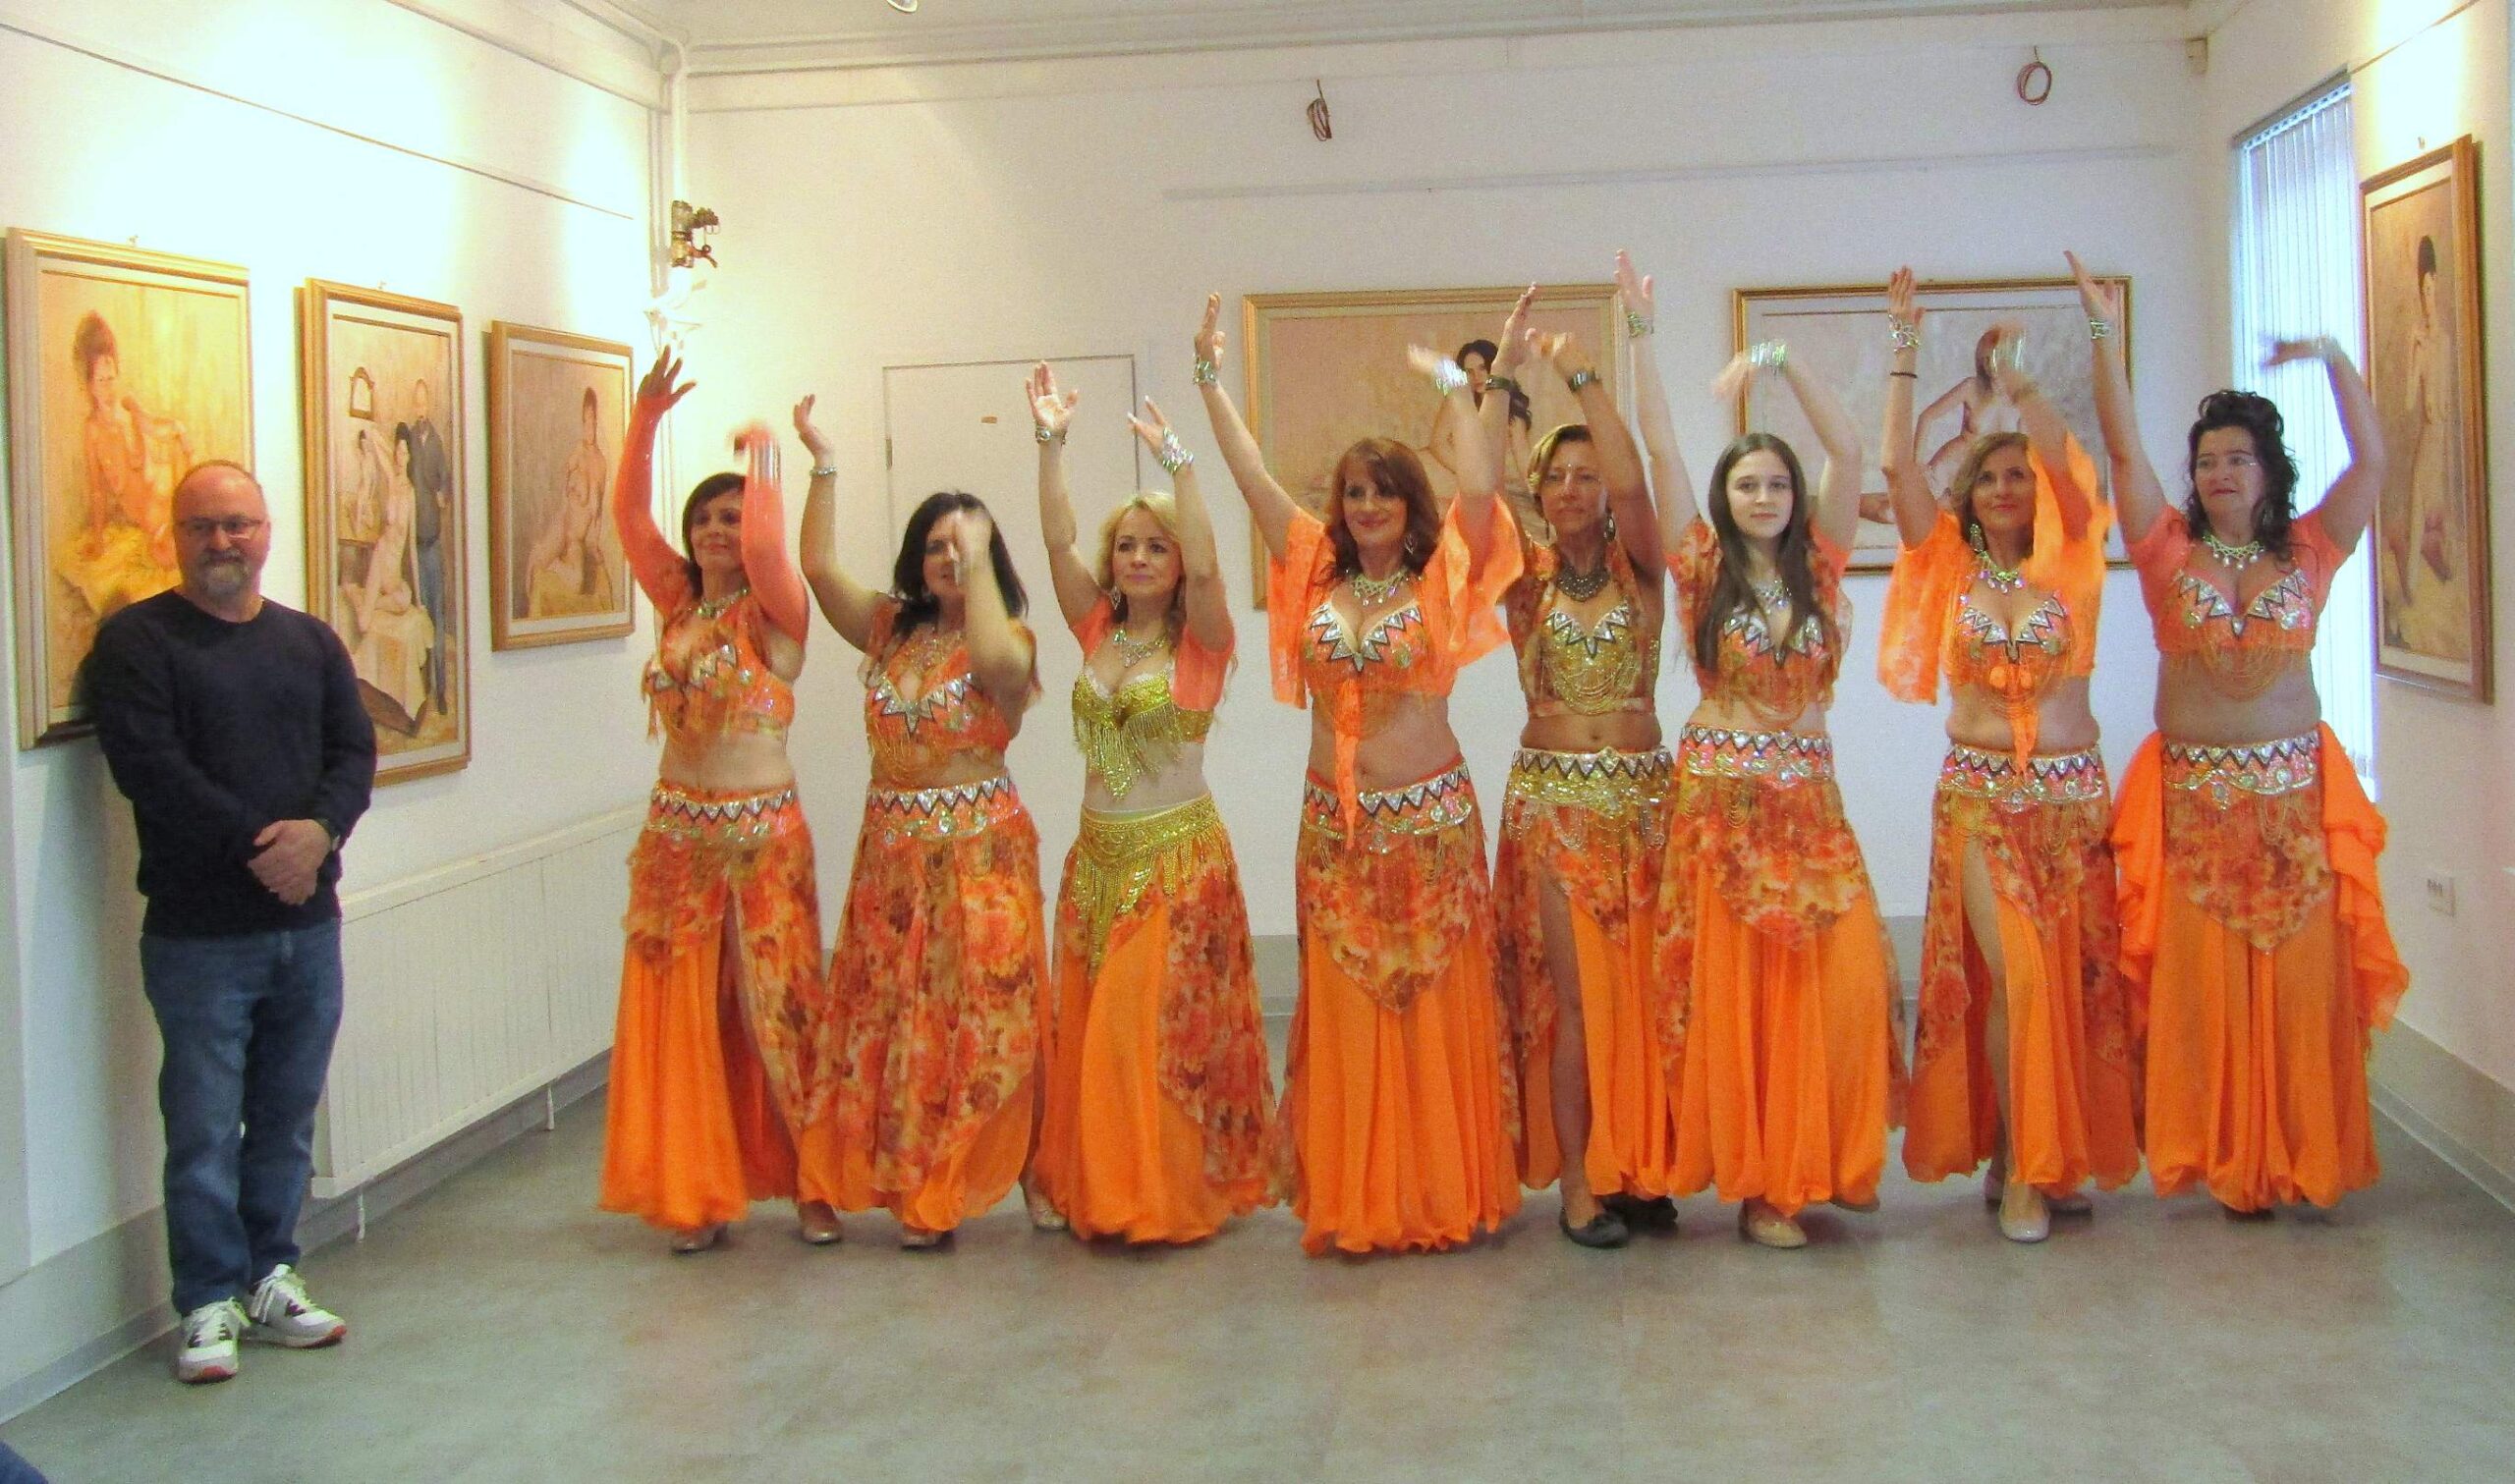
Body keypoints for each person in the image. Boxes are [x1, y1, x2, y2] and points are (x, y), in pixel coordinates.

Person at [2070, 252, 2408, 1215]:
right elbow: (2122, 453)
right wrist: (2101, 331)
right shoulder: (2165, 547)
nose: (2218, 473)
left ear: (2268, 469)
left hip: (2294, 800)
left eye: (2236, 458)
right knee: (2206, 988)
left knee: (2300, 983)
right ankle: (2228, 1164)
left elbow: (2374, 463)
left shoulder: (2312, 546)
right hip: (2193, 801)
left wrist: (2333, 354)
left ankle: (2302, 1154)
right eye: (2207, 460)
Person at [1196, 291, 1523, 1255]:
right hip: (1335, 830)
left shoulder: (1441, 577)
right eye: (1353, 493)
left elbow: (1479, 484)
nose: (1367, 505)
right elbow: (1251, 476)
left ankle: (1436, 1190)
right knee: (1345, 1003)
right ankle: (1356, 1194)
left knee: (1429, 1001)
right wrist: (1209, 380)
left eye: (1383, 491)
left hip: (1429, 828)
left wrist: (1466, 384)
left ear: (1408, 503)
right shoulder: (1313, 574)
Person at [84, 461, 376, 1385]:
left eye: (239, 524)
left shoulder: (310, 641)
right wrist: (271, 848)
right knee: (205, 1126)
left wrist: (320, 833)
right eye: (203, 525)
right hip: (199, 935)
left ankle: (269, 1275)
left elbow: (354, 752)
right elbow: (154, 771)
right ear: (174, 535)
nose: (223, 542)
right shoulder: (136, 643)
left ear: (266, 532)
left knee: (286, 1118)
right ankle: (207, 1297)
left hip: (308, 926)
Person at [1875, 268, 2137, 1243]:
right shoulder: (1944, 562)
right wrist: (1905, 348)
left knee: (2063, 986)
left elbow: (2078, 460)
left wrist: (2024, 378)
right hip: (1981, 801)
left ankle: (2021, 1150)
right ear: (1969, 493)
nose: (2002, 489)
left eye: (2017, 475)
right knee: (2018, 976)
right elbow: (1894, 465)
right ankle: (2028, 1170)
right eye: (1986, 477)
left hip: (2073, 803)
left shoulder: (2073, 561)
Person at [1642, 325, 1898, 1250]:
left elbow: (1850, 450)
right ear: (1726, 497)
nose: (1763, 497)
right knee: (1745, 997)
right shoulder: (1700, 569)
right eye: (1747, 484)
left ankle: (1823, 1157)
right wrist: (1641, 331)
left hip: (1812, 810)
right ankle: (1764, 1188)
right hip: (1725, 810)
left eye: (1777, 484)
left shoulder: (1820, 564)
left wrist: (1783, 362)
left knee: (1843, 982)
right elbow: (1662, 447)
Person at [597, 350, 842, 1254]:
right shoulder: (677, 602)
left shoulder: (776, 612)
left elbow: (772, 550)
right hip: (677, 837)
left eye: (730, 517)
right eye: (703, 517)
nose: (714, 530)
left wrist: (766, 455)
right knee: (686, 1014)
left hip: (763, 838)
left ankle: (815, 1184)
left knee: (781, 1004)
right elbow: (628, 519)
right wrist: (644, 421)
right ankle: (696, 1188)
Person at [1023, 365, 1273, 1243]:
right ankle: (1104, 1185)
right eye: (1127, 545)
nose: (1139, 558)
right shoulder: (1098, 628)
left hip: (1176, 862)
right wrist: (1050, 443)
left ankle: (1157, 1193)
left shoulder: (1203, 642)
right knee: (1096, 1028)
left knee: (1149, 1028)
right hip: (1096, 858)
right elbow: (1056, 543)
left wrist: (1181, 467)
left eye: (1154, 547)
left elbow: (1209, 561)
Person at [800, 406, 1049, 1250]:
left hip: (981, 855)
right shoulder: (890, 629)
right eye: (936, 546)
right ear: (916, 557)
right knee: (894, 1021)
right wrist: (825, 462)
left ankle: (997, 1172)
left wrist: (980, 570)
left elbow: (995, 660)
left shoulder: (1009, 638)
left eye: (965, 546)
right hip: (892, 861)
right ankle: (908, 1175)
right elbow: (816, 568)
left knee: (986, 1012)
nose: (949, 557)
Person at [1491, 260, 1676, 1249]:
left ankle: (1638, 1165)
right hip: (1555, 808)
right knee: (1575, 998)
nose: (1571, 488)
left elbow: (1639, 476)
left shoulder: (1644, 571)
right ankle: (1576, 1180)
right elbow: (1475, 489)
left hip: (1646, 803)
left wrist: (1583, 376)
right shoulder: (1522, 578)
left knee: (1643, 992)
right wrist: (1501, 375)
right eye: (1555, 476)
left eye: (1585, 473)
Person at [61, 310, 187, 622]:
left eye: (112, 378)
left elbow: (164, 433)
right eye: (101, 380)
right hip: (142, 525)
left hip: (161, 514)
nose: (108, 387)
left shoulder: (132, 413)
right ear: (89, 384)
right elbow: (97, 492)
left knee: (167, 569)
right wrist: (98, 537)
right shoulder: (91, 431)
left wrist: (177, 434)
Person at [2382, 235, 2469, 658]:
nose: (2428, 299)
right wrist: (2412, 351)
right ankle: (2411, 589)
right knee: (2417, 506)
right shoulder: (2423, 339)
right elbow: (2407, 402)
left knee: (2439, 513)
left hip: (2443, 437)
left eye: (2433, 290)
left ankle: (2436, 582)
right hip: (2427, 436)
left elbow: (2448, 402)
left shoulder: (2447, 341)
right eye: (2424, 292)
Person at [343, 424, 435, 733]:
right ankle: (359, 598)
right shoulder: (391, 482)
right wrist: (371, 434)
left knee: (403, 601)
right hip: (381, 560)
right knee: (364, 624)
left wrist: (420, 600)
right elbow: (377, 445)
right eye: (397, 451)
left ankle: (358, 595)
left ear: (410, 456)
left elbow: (411, 550)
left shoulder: (410, 493)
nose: (399, 457)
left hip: (394, 575)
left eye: (404, 452)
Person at [525, 387, 617, 620]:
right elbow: (564, 485)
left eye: (592, 421)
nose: (589, 427)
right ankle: (544, 557)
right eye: (585, 421)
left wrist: (593, 545)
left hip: (577, 541)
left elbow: (597, 513)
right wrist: (567, 498)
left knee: (575, 582)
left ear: (596, 422)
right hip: (563, 529)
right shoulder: (577, 454)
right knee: (536, 565)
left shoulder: (601, 463)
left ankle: (552, 563)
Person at [404, 379, 453, 715]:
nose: (420, 408)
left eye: (424, 403)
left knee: (437, 615)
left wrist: (442, 496)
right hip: (413, 545)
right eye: (416, 403)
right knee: (418, 617)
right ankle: (421, 689)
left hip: (432, 544)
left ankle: (442, 690)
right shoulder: (409, 440)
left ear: (429, 405)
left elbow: (445, 484)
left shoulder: (436, 443)